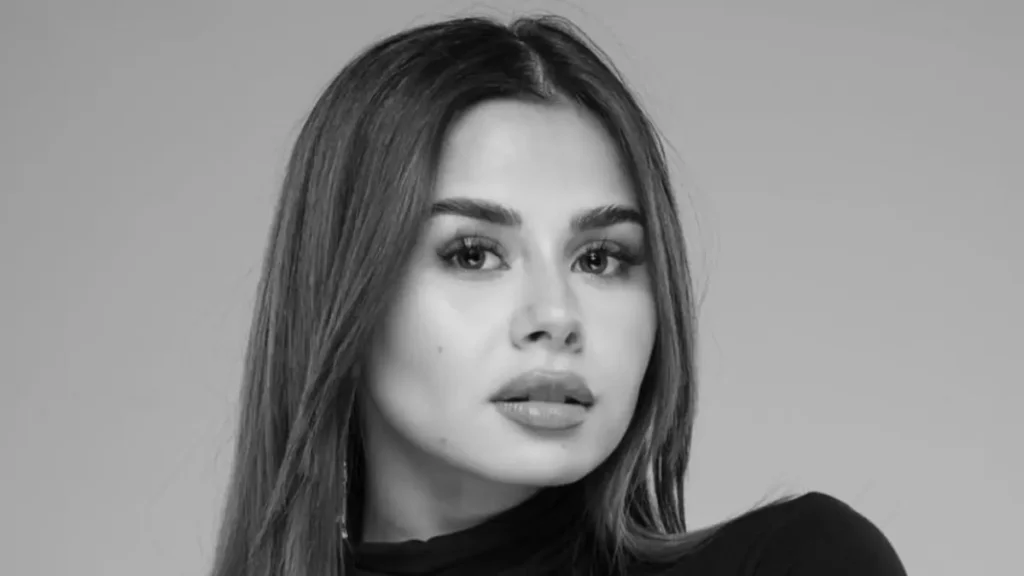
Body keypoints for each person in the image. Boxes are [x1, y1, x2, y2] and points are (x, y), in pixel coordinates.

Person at [209, 14, 906, 576]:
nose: (556, 317)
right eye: (473, 254)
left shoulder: (797, 562)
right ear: (342, 295)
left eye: (599, 259)